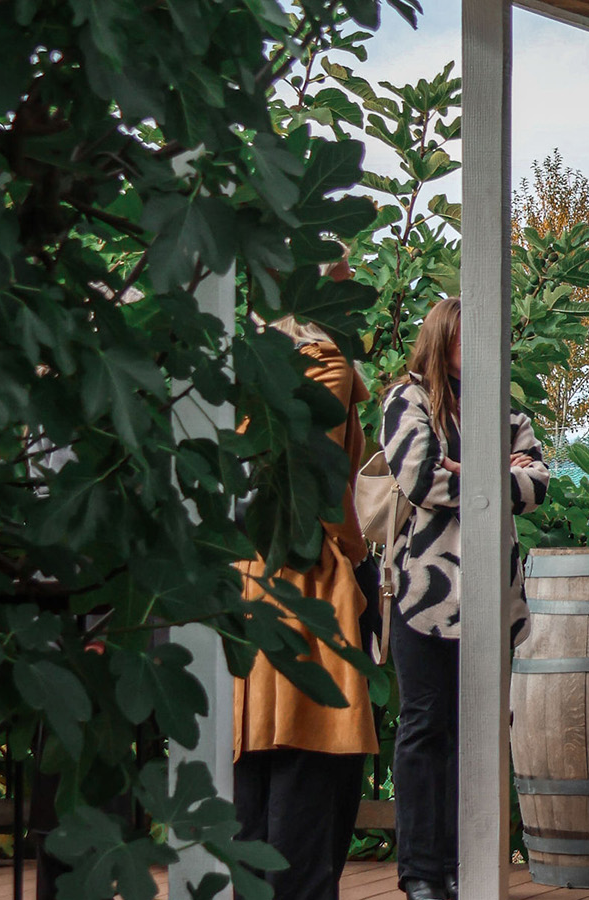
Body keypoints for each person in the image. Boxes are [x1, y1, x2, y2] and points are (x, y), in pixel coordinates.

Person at [378, 297, 549, 900]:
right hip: (423, 594)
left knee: (477, 731)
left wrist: (467, 466)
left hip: (491, 599)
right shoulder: (408, 400)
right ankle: (421, 872)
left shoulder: (506, 408)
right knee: (425, 728)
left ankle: (465, 865)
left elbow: (538, 487)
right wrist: (495, 470)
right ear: (442, 337)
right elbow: (419, 477)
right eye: (465, 335)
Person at [233, 314, 377, 900]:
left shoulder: (238, 362)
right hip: (307, 583)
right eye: (340, 270)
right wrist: (355, 550)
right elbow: (318, 478)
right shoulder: (325, 362)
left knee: (257, 768)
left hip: (244, 580)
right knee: (312, 761)